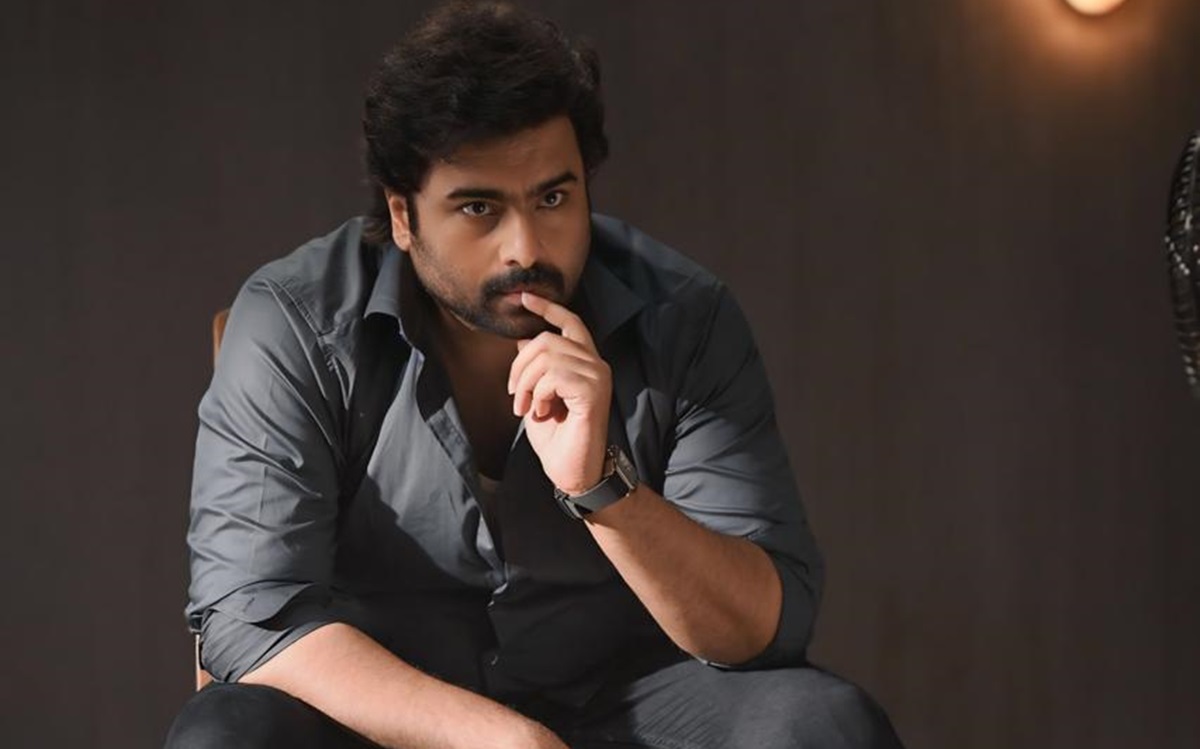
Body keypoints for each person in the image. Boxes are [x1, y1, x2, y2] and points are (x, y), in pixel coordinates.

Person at [165, 2, 904, 747]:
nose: (525, 247)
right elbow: (249, 614)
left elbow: (760, 628)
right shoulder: (295, 320)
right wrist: (502, 739)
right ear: (403, 216)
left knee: (824, 723)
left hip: (629, 705)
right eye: (478, 208)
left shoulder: (686, 316)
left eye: (553, 197)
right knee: (225, 733)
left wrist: (604, 488)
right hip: (389, 718)